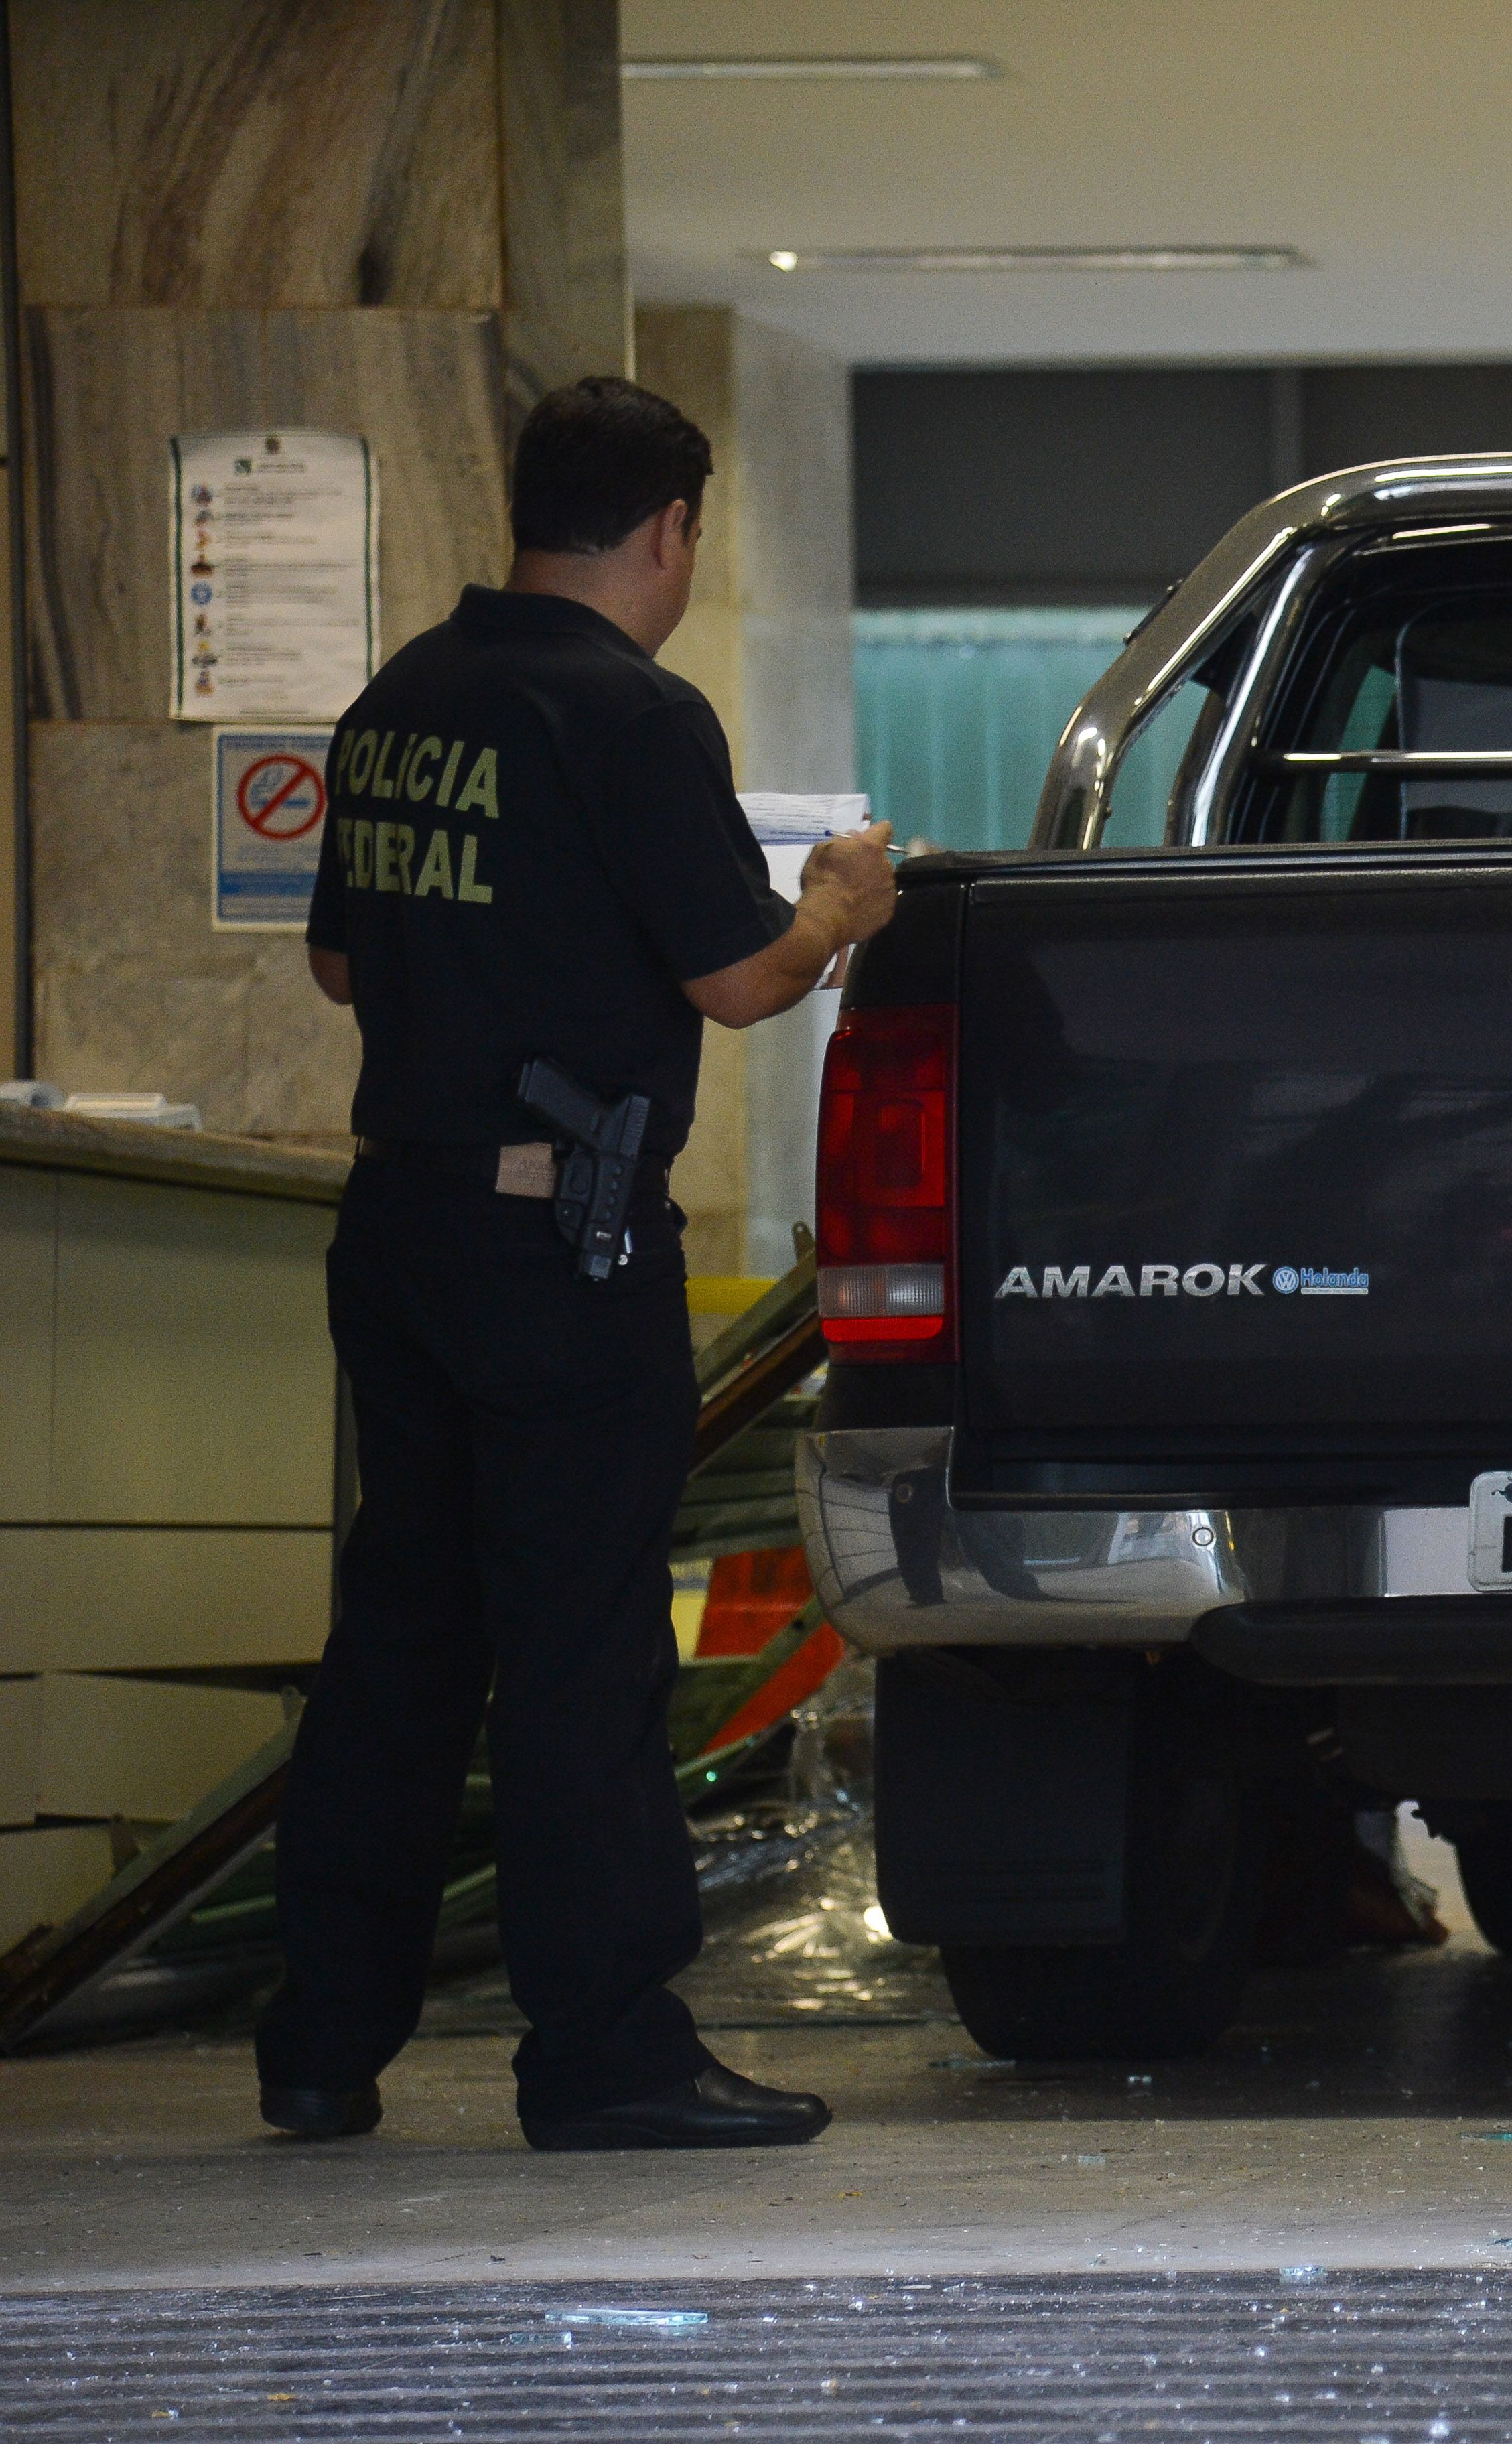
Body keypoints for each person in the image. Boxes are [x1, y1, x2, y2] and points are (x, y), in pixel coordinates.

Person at [258, 377, 900, 2149]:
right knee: (579, 1650)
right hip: (559, 1245)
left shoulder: (405, 698)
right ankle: (605, 2053)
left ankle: (322, 2041)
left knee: (402, 1635)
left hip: (402, 1226)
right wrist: (839, 905)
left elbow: (337, 965)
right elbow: (740, 979)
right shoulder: (628, 712)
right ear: (672, 529)